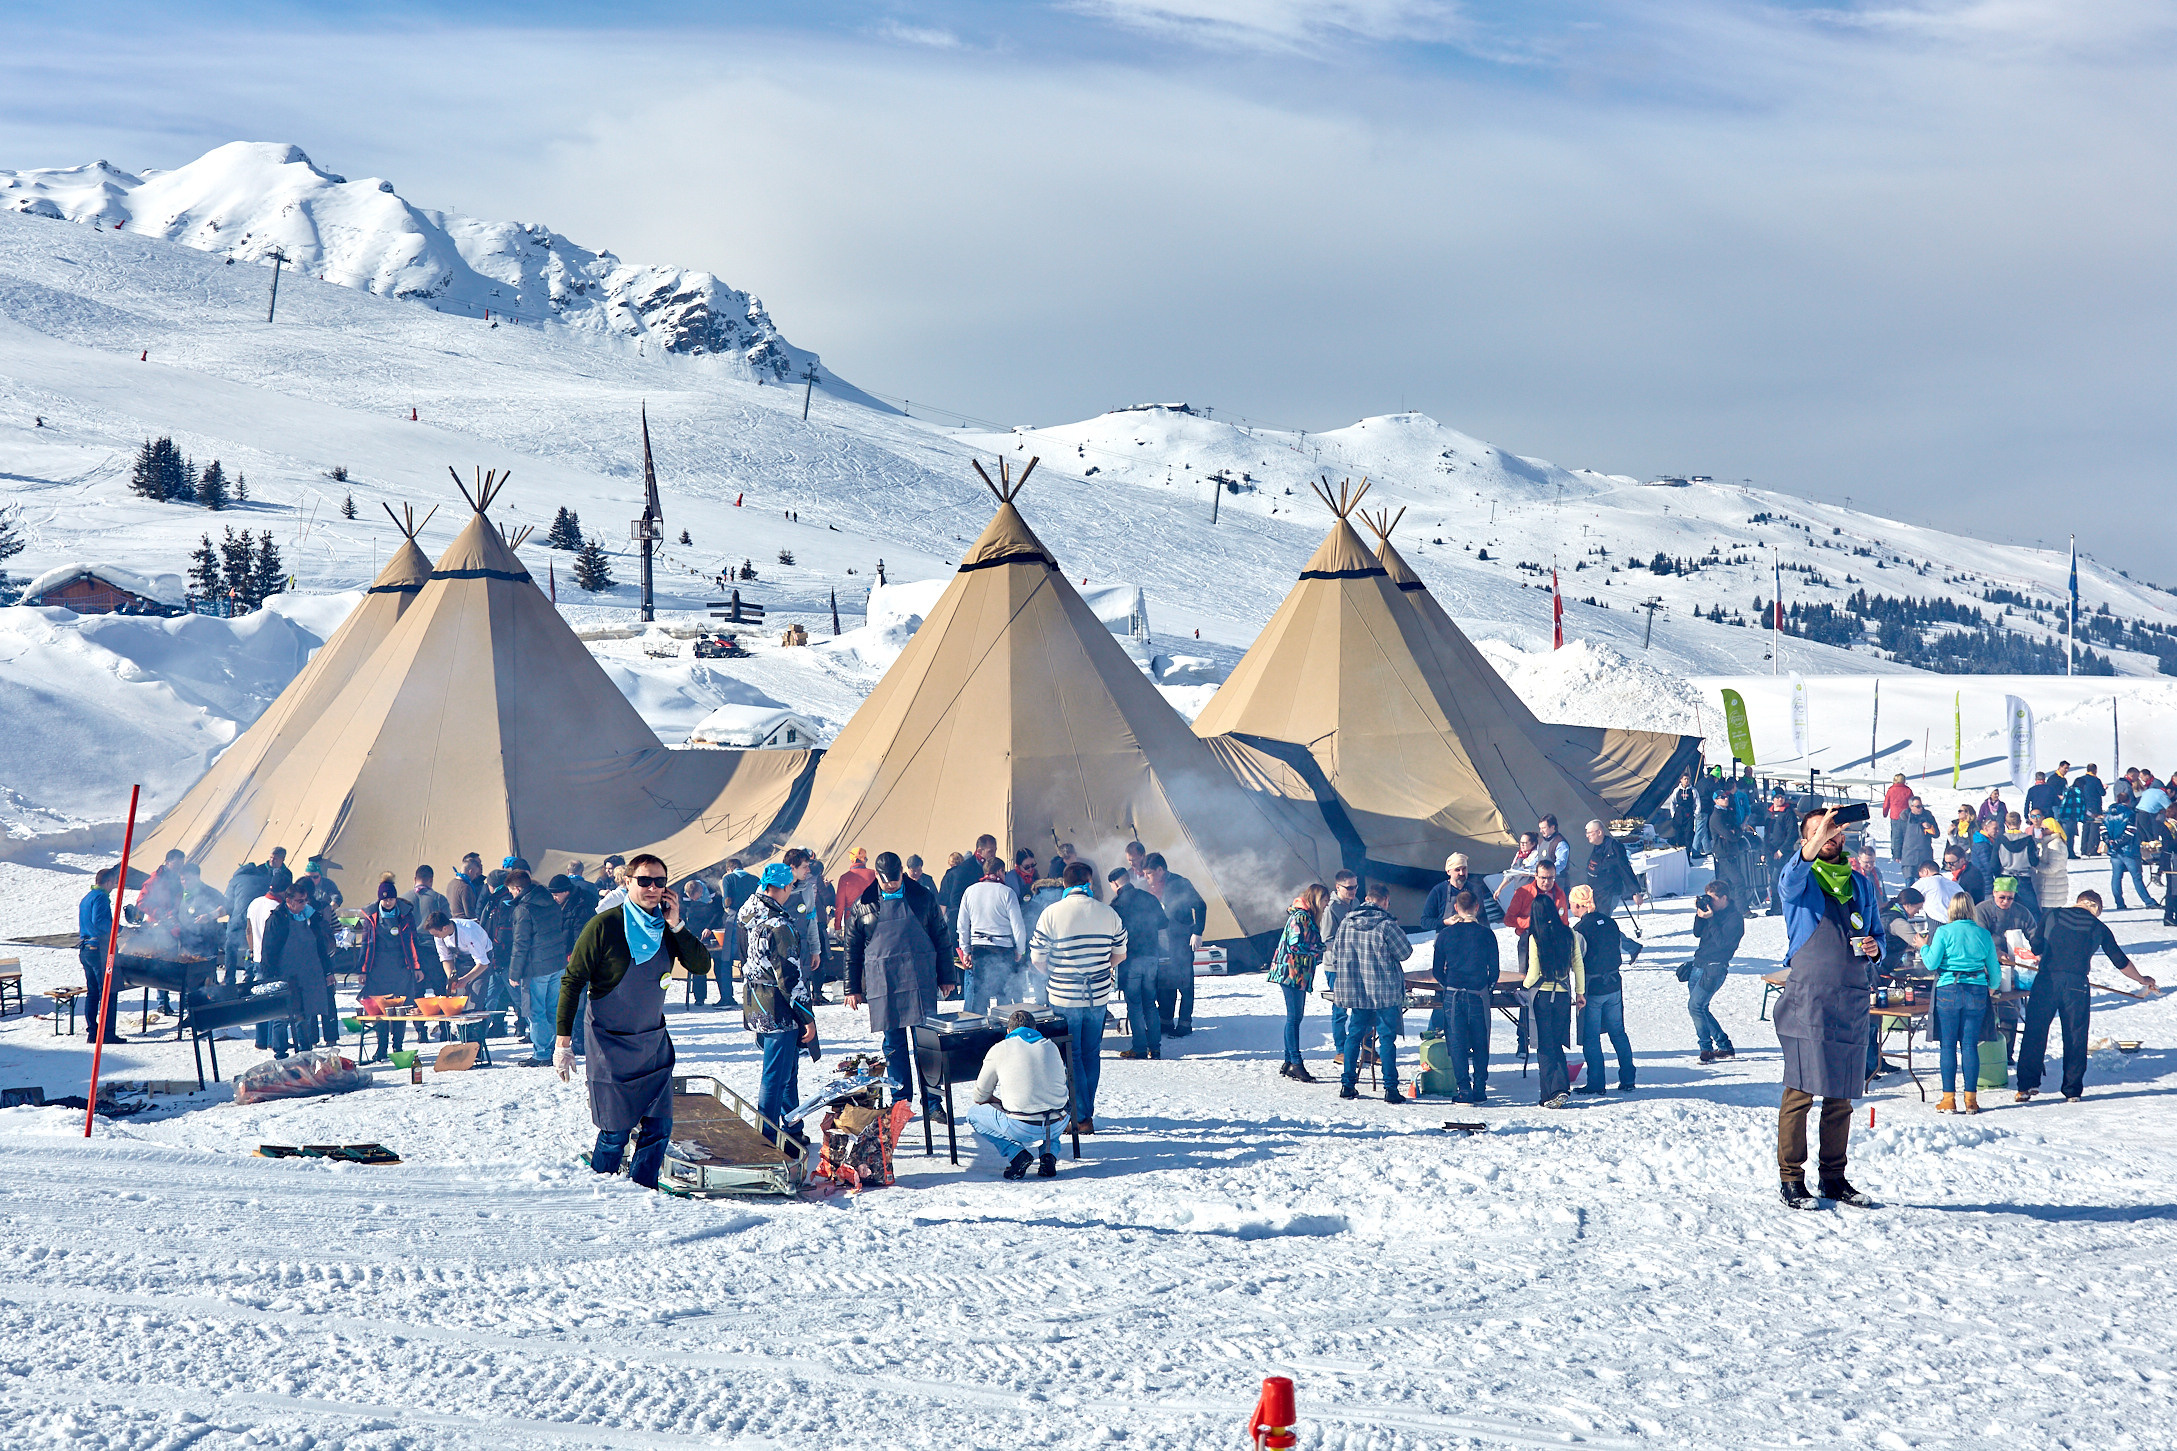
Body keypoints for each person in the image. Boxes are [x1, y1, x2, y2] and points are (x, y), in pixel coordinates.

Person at [554, 853, 712, 1188]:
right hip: (608, 1043)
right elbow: (572, 982)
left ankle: (643, 1191)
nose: (652, 888)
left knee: (659, 1128)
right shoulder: (604, 926)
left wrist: (678, 925)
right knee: (615, 1131)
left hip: (652, 1042)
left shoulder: (667, 928)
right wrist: (562, 1043)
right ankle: (604, 1192)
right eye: (644, 881)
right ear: (628, 882)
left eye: (659, 882)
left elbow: (700, 965)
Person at [1772, 806, 1884, 1210]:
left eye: (1836, 833)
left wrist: (1875, 947)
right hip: (1808, 997)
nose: (1831, 839)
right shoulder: (1798, 882)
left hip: (1851, 995)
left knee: (1841, 1096)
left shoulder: (1859, 883)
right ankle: (1791, 1178)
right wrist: (1817, 834)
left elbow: (1877, 931)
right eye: (1821, 833)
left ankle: (1834, 1179)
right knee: (1801, 1090)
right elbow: (1790, 879)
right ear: (1806, 840)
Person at [2017, 890, 2159, 1103]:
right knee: (2075, 1036)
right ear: (2097, 909)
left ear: (2077, 902)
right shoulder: (2098, 927)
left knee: (2035, 1032)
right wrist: (2142, 980)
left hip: (2047, 980)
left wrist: (2047, 953)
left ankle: (2026, 1086)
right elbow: (2120, 961)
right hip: (2077, 985)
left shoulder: (2053, 915)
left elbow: (2036, 945)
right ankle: (2072, 1090)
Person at [845, 851, 950, 1119]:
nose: (892, 884)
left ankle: (933, 1103)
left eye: (895, 879)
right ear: (877, 876)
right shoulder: (863, 904)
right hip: (884, 981)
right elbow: (852, 949)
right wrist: (852, 988)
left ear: (902, 873)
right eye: (887, 880)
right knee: (893, 1046)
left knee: (926, 1044)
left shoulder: (923, 896)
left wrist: (947, 976)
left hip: (920, 979)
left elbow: (941, 935)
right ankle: (900, 1102)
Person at [1032, 862, 1125, 1132]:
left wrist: (1059, 973)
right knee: (1090, 1054)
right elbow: (1120, 954)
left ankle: (1080, 1116)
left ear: (1064, 884)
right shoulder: (1108, 913)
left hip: (1063, 997)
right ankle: (1085, 1113)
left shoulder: (1050, 914)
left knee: (1070, 1056)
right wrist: (1099, 968)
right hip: (1097, 996)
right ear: (1089, 883)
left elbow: (1037, 959)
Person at [736, 862, 816, 1143]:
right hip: (779, 1006)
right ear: (781, 887)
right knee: (775, 1074)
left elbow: (744, 955)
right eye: (791, 886)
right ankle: (767, 1136)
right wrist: (807, 1017)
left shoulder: (747, 911)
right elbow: (790, 978)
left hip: (756, 1000)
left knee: (785, 1070)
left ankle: (792, 1128)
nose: (792, 891)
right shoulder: (778, 925)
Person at [1329, 881, 1412, 1103]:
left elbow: (1335, 953)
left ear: (1366, 899)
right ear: (1385, 901)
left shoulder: (1346, 922)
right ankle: (1391, 1089)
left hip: (1357, 990)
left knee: (1354, 1035)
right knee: (1386, 1039)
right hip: (1384, 991)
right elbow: (1405, 952)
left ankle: (1347, 1084)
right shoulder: (1386, 924)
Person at [966, 1009, 1072, 1179]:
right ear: (1035, 1028)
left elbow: (979, 1096)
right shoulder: (1051, 1046)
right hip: (1059, 1122)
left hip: (1022, 1127)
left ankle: (1017, 1154)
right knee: (1052, 1106)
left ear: (1008, 1031)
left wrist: (995, 1101)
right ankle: (1048, 1155)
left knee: (973, 1114)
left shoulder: (1000, 1048)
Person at [1920, 892, 2000, 1112]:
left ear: (1951, 910)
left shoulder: (1943, 932)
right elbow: (1995, 971)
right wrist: (1990, 988)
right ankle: (1971, 1100)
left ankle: (1948, 1099)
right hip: (1976, 990)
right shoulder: (1983, 934)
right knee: (1969, 1045)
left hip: (1948, 989)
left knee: (1948, 1045)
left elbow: (1930, 963)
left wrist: (1923, 946)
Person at [1570, 884, 1637, 1093]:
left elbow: (1577, 961)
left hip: (1593, 987)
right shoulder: (1610, 923)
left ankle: (1596, 1082)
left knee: (1591, 1037)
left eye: (1572, 903)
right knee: (1618, 1032)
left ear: (1579, 904)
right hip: (1614, 983)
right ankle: (1628, 1078)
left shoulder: (1579, 930)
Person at [258, 882, 336, 1059]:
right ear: (289, 901)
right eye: (300, 901)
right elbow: (268, 951)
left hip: (310, 974)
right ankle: (280, 1054)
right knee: (283, 1016)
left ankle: (305, 1053)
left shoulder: (312, 918)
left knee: (306, 1014)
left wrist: (328, 972)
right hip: (285, 975)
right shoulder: (277, 919)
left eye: (306, 900)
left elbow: (321, 947)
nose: (304, 904)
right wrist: (271, 979)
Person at [1433, 891, 1497, 1103]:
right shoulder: (1487, 934)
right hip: (1478, 994)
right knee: (1481, 1042)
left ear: (1456, 909)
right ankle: (1480, 1088)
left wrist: (1447, 983)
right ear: (1477, 907)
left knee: (1457, 1043)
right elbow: (1494, 971)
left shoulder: (1445, 935)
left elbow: (1436, 971)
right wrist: (1487, 987)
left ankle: (1464, 1090)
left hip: (1453, 993)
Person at [1522, 894, 1584, 1107]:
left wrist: (1522, 987)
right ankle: (1558, 1089)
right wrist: (1580, 992)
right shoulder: (1569, 933)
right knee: (1556, 1042)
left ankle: (1551, 1092)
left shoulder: (1535, 937)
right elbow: (1578, 965)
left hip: (1543, 996)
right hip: (1563, 996)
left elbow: (1533, 972)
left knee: (1545, 1045)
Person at [356, 878, 428, 1061]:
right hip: (378, 971)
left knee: (400, 1009)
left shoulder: (405, 915)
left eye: (391, 899)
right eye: (385, 899)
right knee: (381, 1011)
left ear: (396, 898)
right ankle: (381, 1048)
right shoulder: (371, 917)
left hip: (401, 970)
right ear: (380, 899)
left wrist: (417, 967)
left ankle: (398, 1046)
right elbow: (365, 945)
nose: (388, 902)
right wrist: (362, 971)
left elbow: (412, 942)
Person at [504, 868, 567, 1065]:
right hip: (557, 963)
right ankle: (555, 1049)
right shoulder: (551, 901)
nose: (511, 895)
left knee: (535, 1011)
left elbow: (520, 944)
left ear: (517, 888)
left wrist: (514, 973)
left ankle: (542, 1053)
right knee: (553, 1008)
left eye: (511, 891)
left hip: (536, 968)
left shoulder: (523, 909)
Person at [1266, 884, 1328, 1081]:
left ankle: (1288, 1061)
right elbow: (1295, 944)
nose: (1326, 905)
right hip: (1291, 973)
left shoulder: (1305, 916)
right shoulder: (1300, 916)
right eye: (1325, 901)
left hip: (1295, 973)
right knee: (1294, 1018)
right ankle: (1296, 1063)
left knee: (1294, 1018)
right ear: (1317, 899)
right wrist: (1319, 949)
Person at [1109, 867, 1169, 1061]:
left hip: (1130, 959)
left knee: (1134, 1004)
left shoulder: (1116, 904)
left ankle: (1139, 1048)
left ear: (1115, 883)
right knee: (1150, 1003)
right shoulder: (1149, 898)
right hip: (1152, 956)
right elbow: (1163, 923)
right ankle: (1156, 1047)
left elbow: (1113, 934)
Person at [1144, 853, 1206, 1037]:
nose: (1147, 877)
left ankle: (1185, 1023)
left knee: (1185, 983)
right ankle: (1166, 1021)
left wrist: (1197, 931)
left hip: (1182, 939)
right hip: (1161, 941)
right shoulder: (1149, 886)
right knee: (1165, 981)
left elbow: (1200, 905)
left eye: (1150, 873)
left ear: (1160, 870)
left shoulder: (1180, 883)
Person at [957, 857, 1029, 1013]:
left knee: (980, 995)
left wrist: (966, 950)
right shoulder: (1007, 892)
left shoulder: (970, 891)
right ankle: (1003, 1031)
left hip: (978, 947)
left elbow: (962, 925)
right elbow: (1018, 925)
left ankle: (979, 1031)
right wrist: (1020, 949)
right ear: (999, 871)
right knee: (1004, 996)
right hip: (1003, 948)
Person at [1686, 879, 1741, 1063]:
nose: (1709, 903)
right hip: (1698, 964)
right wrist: (1699, 915)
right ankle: (1724, 1046)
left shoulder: (1735, 918)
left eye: (1712, 899)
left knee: (1695, 1007)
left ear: (1724, 898)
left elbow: (1723, 945)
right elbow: (1696, 933)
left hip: (1715, 968)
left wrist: (1711, 920)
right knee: (1700, 1009)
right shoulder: (1711, 913)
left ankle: (1706, 1050)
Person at [77, 866, 124, 1042]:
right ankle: (108, 1032)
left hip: (86, 950)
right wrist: (120, 930)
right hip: (98, 951)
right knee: (108, 991)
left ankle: (93, 1032)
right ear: (109, 882)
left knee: (93, 992)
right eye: (114, 882)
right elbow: (100, 921)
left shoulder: (87, 897)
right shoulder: (101, 897)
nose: (115, 886)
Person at [2103, 786, 2158, 910]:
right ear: (2128, 801)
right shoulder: (2130, 814)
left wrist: (2110, 841)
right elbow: (2130, 832)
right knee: (2137, 877)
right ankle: (2148, 901)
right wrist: (2119, 842)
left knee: (2116, 877)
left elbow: (2103, 830)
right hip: (2128, 850)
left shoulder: (2108, 814)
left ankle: (2119, 903)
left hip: (2114, 851)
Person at [222, 857, 272, 989]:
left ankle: (229, 979)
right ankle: (249, 974)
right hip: (258, 920)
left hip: (238, 921)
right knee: (252, 946)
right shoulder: (265, 879)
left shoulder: (235, 880)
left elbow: (227, 904)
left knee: (231, 947)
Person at [677, 875, 725, 1004]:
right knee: (699, 962)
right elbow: (681, 911)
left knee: (719, 963)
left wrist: (710, 927)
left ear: (701, 891)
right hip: (695, 928)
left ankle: (725, 997)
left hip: (713, 927)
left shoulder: (711, 888)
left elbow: (719, 911)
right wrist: (685, 928)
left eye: (697, 897)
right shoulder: (683, 891)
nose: (695, 900)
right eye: (692, 898)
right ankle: (699, 997)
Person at [1425, 854, 1503, 928]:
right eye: (1457, 870)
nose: (1461, 873)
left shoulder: (1475, 890)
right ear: (1448, 871)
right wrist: (1445, 922)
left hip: (1471, 937)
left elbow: (1483, 919)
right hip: (1447, 938)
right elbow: (1425, 922)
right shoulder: (1438, 891)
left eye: (1464, 869)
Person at [1582, 822, 1639, 921]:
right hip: (1596, 891)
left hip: (1609, 891)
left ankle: (1617, 937)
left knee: (1603, 921)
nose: (1587, 836)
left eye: (1590, 833)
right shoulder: (1597, 846)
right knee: (1596, 920)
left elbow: (1624, 869)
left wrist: (1635, 892)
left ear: (1599, 832)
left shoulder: (1614, 847)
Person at [1996, 813, 2041, 916]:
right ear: (2020, 823)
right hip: (2024, 876)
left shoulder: (2000, 839)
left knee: (2005, 908)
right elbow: (2033, 861)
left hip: (2006, 876)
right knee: (2032, 909)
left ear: (2006, 823)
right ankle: (2037, 930)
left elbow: (1994, 862)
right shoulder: (2028, 839)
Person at [832, 849, 877, 934]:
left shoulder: (844, 878)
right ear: (864, 860)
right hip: (872, 916)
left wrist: (837, 927)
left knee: (851, 946)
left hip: (851, 918)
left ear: (852, 860)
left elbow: (840, 905)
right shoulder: (874, 874)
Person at [2032, 817, 2072, 913]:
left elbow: (2052, 868)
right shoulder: (2048, 843)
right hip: (2050, 888)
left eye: (2045, 829)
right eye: (2041, 829)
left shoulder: (2055, 844)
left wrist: (2036, 864)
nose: (2042, 831)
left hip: (2052, 890)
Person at [1898, 795, 1940, 872]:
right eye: (1918, 806)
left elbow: (1937, 834)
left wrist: (1930, 827)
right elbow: (1898, 836)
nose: (1920, 808)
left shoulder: (1928, 816)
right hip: (1908, 855)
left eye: (1921, 806)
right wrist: (1897, 853)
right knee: (1909, 880)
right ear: (1911, 807)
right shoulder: (1904, 817)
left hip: (1925, 855)